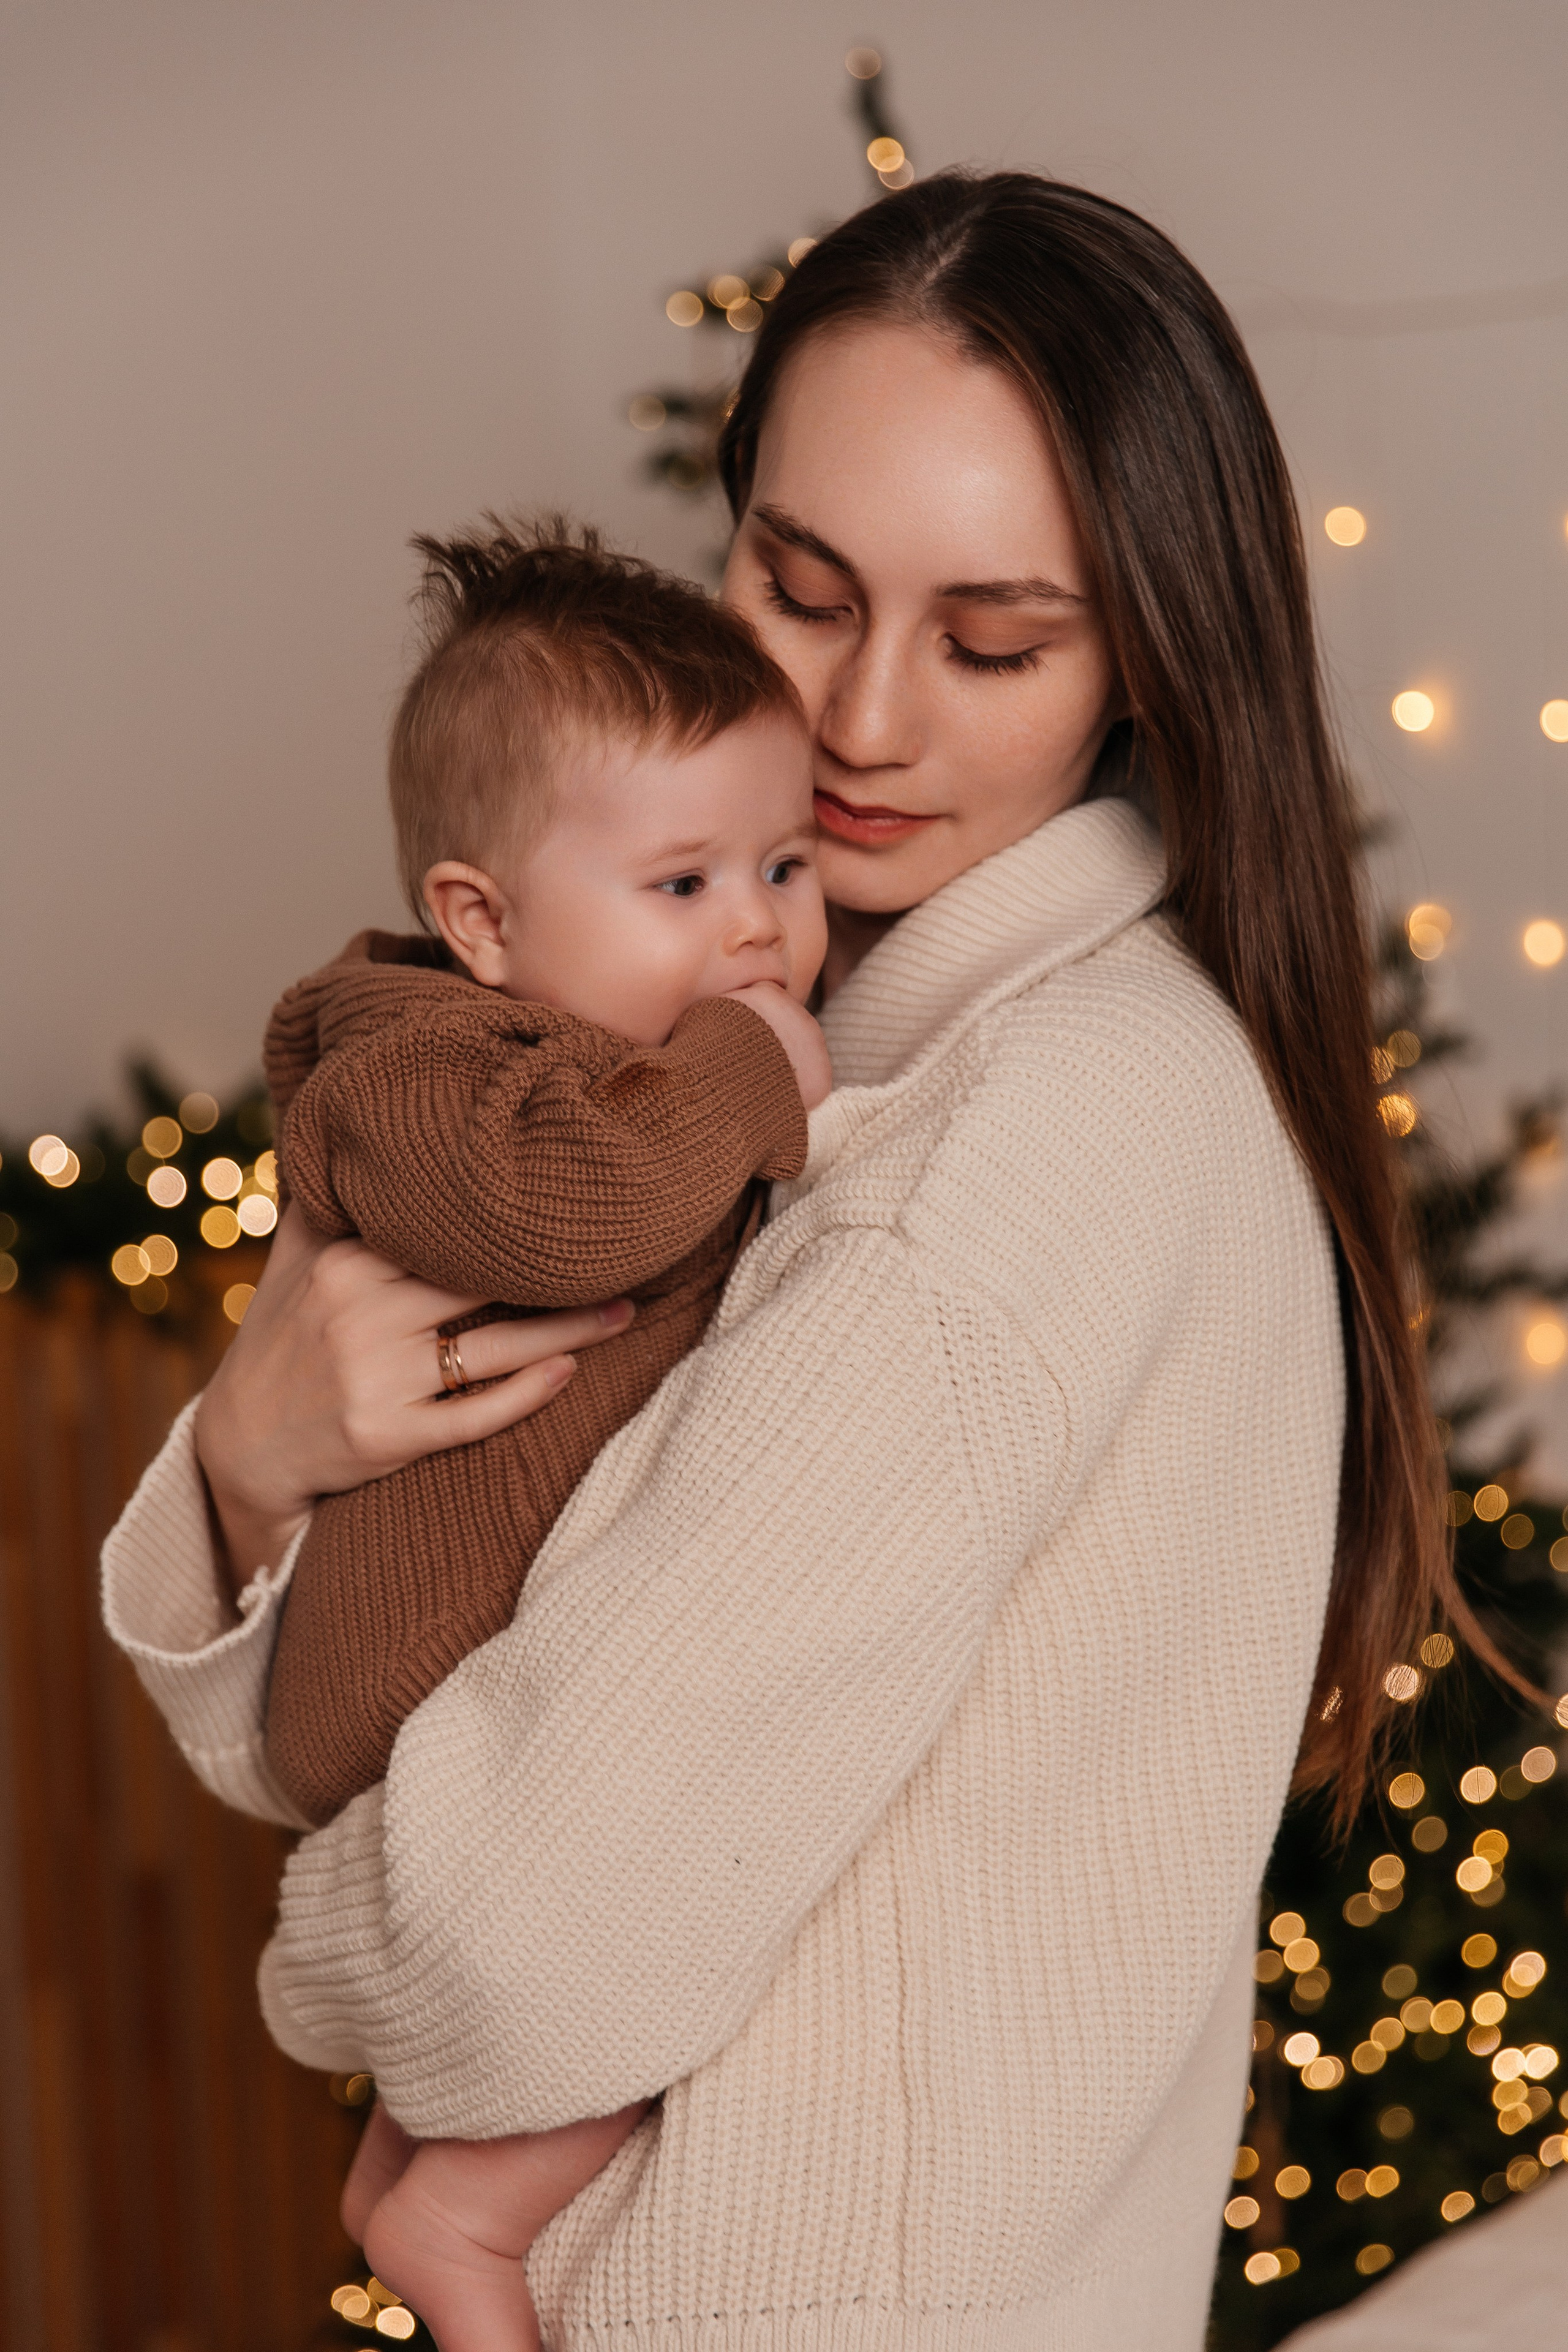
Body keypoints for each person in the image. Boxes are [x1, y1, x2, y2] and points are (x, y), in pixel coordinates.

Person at [102, 171, 1504, 2351]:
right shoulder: (760, 1042)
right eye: (801, 584)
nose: (863, 720)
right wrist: (260, 1464)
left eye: (994, 642)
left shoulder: (1023, 1138)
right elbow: (406, 1658)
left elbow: (506, 1954)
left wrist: (324, 1955)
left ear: (1146, 647)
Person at [256, 520, 831, 2351]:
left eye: (786, 862)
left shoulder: (596, 1049)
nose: (760, 926)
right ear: (482, 918)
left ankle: (398, 2175)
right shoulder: (415, 1068)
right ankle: (468, 2224)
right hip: (422, 1651)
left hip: (471, 1621)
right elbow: (576, 1215)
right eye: (684, 883)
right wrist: (754, 1078)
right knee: (644, 1919)